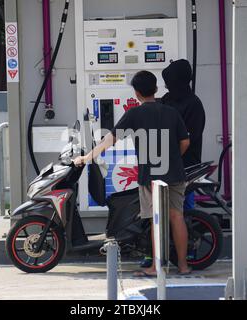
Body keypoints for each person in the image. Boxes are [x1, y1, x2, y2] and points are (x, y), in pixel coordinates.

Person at [73, 70, 191, 276]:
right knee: (176, 217)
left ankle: (156, 267)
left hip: (151, 176)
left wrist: (87, 157)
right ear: (156, 89)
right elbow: (185, 142)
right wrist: (174, 159)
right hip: (175, 173)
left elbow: (110, 139)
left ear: (136, 93)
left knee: (157, 219)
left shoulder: (135, 114)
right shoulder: (171, 112)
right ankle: (183, 266)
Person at [140, 59, 206, 268]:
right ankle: (156, 253)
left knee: (182, 211)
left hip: (186, 165)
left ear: (179, 81)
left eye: (169, 81)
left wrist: (172, 159)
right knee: (158, 212)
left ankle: (185, 255)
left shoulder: (194, 105)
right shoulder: (168, 99)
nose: (167, 86)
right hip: (163, 163)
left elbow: (189, 139)